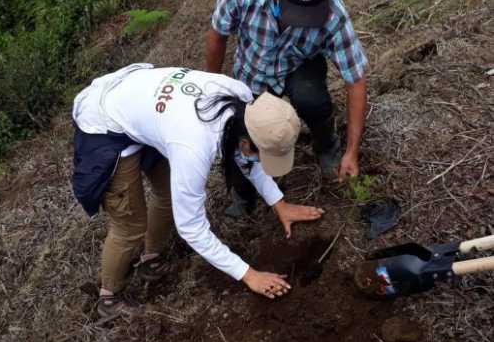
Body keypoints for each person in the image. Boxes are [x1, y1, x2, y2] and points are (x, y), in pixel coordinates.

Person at [71, 64, 324, 319]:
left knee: (169, 195)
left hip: (147, 108)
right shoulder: (193, 146)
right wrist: (249, 275)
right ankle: (108, 296)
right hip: (105, 120)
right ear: (247, 141)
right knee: (130, 225)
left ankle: (150, 259)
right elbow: (190, 227)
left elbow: (248, 157)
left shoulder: (244, 102)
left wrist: (279, 203)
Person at [205, 0, 368, 216]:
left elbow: (356, 80)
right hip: (253, 73)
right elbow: (217, 36)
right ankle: (244, 194)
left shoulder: (333, 14)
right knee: (243, 134)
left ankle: (327, 145)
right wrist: (213, 87)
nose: (300, 22)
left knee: (310, 98)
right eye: (294, 13)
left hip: (299, 66)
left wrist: (352, 151)